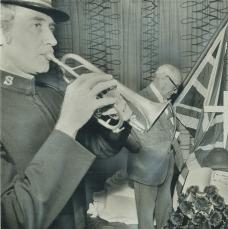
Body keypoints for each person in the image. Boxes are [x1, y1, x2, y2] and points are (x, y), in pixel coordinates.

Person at [0, 0, 134, 228]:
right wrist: (68, 122)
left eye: (51, 28)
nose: (52, 40)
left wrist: (115, 124)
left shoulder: (51, 94)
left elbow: (92, 148)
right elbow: (15, 217)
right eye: (36, 25)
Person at [127, 64, 182, 229]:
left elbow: (170, 130)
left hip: (166, 166)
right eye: (175, 86)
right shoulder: (139, 98)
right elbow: (134, 135)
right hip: (147, 168)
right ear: (164, 79)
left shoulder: (166, 101)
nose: (176, 91)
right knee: (146, 219)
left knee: (165, 213)